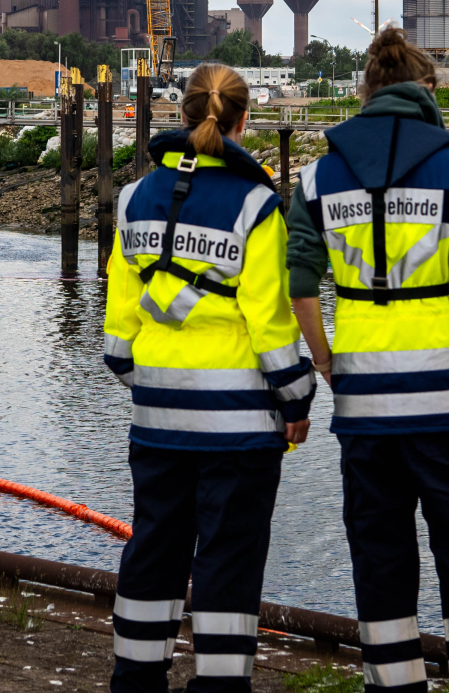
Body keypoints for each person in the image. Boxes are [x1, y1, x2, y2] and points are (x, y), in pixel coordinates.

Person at [286, 28, 449, 693]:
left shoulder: (318, 176)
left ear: (365, 92)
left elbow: (301, 285)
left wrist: (327, 359)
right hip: (447, 406)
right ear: (425, 90)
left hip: (364, 409)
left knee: (381, 558)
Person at [105, 63, 315, 693]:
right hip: (240, 431)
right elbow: (272, 325)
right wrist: (299, 395)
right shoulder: (257, 205)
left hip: (158, 424)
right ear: (243, 120)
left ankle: (136, 681)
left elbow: (117, 343)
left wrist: (160, 385)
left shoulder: (133, 199)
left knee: (153, 552)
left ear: (182, 111)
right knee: (228, 561)